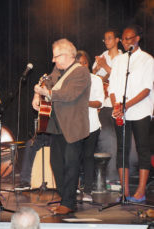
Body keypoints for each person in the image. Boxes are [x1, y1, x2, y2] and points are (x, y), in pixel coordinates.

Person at [33, 39, 91, 214]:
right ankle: (65, 197)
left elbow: (68, 94)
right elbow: (47, 83)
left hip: (73, 126)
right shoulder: (57, 70)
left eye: (56, 56)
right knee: (56, 163)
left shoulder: (81, 72)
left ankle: (68, 202)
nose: (53, 60)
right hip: (56, 126)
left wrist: (47, 93)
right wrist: (37, 94)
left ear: (67, 55)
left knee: (71, 164)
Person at [109, 25, 154, 202]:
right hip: (121, 111)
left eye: (130, 38)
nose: (127, 41)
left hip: (141, 110)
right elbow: (112, 87)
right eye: (124, 39)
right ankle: (124, 191)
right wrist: (116, 106)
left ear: (137, 39)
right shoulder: (119, 60)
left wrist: (126, 106)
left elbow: (146, 89)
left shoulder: (147, 60)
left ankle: (141, 191)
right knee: (122, 150)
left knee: (143, 149)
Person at [92, 28, 123, 181]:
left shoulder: (122, 57)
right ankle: (110, 177)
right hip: (104, 104)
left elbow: (119, 77)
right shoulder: (102, 56)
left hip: (119, 103)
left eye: (110, 38)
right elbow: (93, 77)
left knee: (122, 142)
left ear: (117, 40)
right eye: (105, 39)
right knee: (107, 138)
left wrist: (104, 66)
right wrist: (97, 68)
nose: (107, 41)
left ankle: (121, 177)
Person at [76, 50, 104, 202]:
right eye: (78, 64)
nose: (82, 66)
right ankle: (72, 187)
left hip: (92, 125)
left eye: (84, 63)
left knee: (87, 157)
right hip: (74, 126)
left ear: (88, 64)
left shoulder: (96, 80)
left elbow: (99, 102)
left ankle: (87, 190)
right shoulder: (70, 81)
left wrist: (84, 102)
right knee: (74, 157)